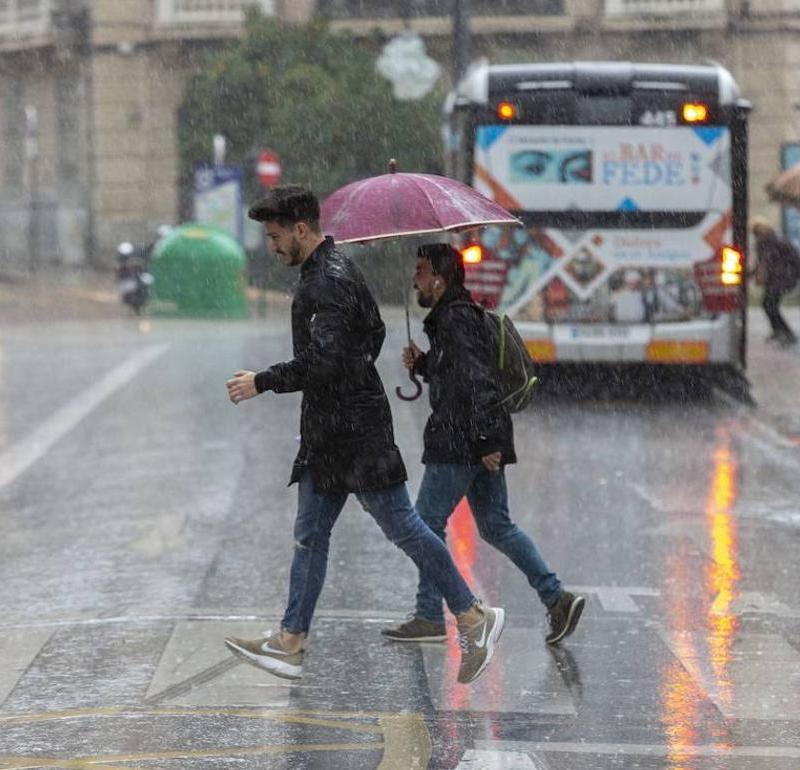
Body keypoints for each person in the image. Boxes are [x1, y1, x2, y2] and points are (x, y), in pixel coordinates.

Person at [221, 186, 505, 685]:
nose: (271, 245)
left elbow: (326, 360)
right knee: (311, 535)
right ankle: (290, 640)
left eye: (275, 235)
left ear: (301, 229)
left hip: (354, 435)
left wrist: (262, 381)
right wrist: (350, 369)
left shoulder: (325, 284)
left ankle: (472, 615)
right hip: (334, 431)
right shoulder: (337, 271)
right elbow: (371, 335)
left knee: (405, 529)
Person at [383, 243, 585, 645]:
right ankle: (556, 598)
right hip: (477, 438)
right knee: (496, 526)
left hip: (462, 440)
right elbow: (460, 374)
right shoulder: (454, 318)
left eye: (421, 271)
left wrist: (486, 441)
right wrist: (424, 364)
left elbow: (477, 382)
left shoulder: (454, 321)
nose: (414, 279)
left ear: (439, 280)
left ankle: (429, 615)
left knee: (423, 524)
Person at [752, 222, 800, 346]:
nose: (757, 236)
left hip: (783, 279)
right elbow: (761, 263)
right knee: (768, 305)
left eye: (758, 233)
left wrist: (799, 276)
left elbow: (796, 259)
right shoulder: (761, 245)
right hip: (774, 280)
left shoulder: (779, 243)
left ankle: (785, 332)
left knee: (769, 304)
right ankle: (780, 331)